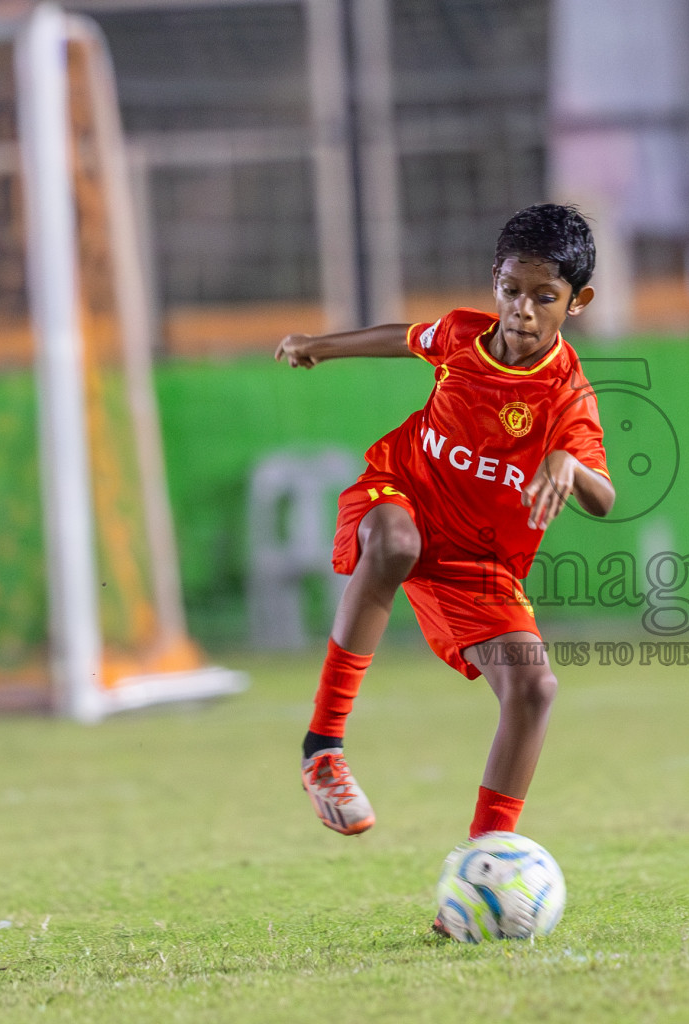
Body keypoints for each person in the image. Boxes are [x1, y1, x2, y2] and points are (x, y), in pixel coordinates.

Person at [274, 204, 614, 851]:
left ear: (577, 302)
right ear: (494, 281)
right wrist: (322, 346)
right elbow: (405, 336)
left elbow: (603, 497)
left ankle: (486, 860)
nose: (522, 310)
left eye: (544, 297)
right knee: (396, 542)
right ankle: (322, 747)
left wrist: (569, 464)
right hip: (399, 493)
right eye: (511, 291)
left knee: (534, 686)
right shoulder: (463, 335)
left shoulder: (569, 399)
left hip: (478, 561)